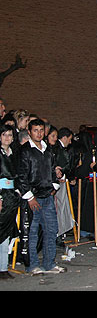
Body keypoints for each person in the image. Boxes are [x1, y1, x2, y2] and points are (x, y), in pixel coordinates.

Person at [16, 118, 65, 275]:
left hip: (47, 196)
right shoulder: (25, 151)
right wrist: (30, 197)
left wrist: (54, 187)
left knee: (51, 230)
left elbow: (53, 171)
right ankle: (33, 265)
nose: (39, 133)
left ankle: (49, 263)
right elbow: (21, 177)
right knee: (32, 232)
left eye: (41, 130)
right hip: (32, 198)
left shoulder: (48, 151)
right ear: (29, 132)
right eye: (35, 130)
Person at [0, 124, 19, 279]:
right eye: (4, 134)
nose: (7, 138)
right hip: (2, 195)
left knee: (6, 232)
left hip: (11, 196)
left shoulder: (12, 154)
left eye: (10, 135)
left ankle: (3, 267)